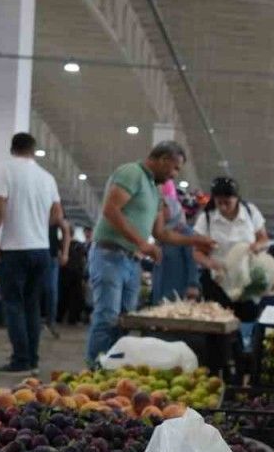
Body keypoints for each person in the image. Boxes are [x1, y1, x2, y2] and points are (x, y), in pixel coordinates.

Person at [87, 141, 214, 366]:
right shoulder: (131, 173)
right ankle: (94, 368)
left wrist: (196, 239)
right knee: (108, 317)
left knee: (125, 320)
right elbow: (110, 210)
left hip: (131, 261)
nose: (174, 175)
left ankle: (114, 366)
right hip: (110, 255)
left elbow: (162, 234)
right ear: (163, 159)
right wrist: (141, 243)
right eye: (175, 168)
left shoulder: (154, 191)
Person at [0, 132, 68, 374]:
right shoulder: (47, 177)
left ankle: (20, 359)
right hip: (41, 250)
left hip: (14, 249)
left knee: (13, 304)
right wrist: (37, 220)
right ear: (33, 150)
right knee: (32, 305)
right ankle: (32, 358)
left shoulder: (6, 170)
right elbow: (57, 216)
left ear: (13, 149)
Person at [193, 176, 269, 322]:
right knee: (218, 321)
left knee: (246, 319)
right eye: (219, 202)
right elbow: (197, 252)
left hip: (246, 277)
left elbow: (264, 239)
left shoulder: (250, 212)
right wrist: (210, 263)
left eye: (227, 202)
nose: (222, 207)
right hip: (218, 281)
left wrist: (257, 246)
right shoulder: (207, 218)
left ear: (236, 199)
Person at [150, 180, 200, 304]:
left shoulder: (185, 232)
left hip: (178, 292)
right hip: (160, 290)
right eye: (161, 206)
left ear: (174, 207)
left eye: (165, 206)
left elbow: (192, 260)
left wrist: (193, 286)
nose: (162, 210)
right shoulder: (159, 234)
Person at [43, 216, 71, 339]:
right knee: (46, 290)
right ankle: (38, 321)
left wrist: (65, 252)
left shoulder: (53, 203)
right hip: (38, 252)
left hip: (50, 254)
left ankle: (50, 321)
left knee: (51, 291)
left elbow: (65, 229)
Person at [58, 227, 90, 324]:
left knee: (63, 296)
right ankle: (73, 318)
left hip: (64, 272)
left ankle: (59, 317)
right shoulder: (80, 245)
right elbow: (85, 259)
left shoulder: (60, 244)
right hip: (77, 273)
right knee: (75, 296)